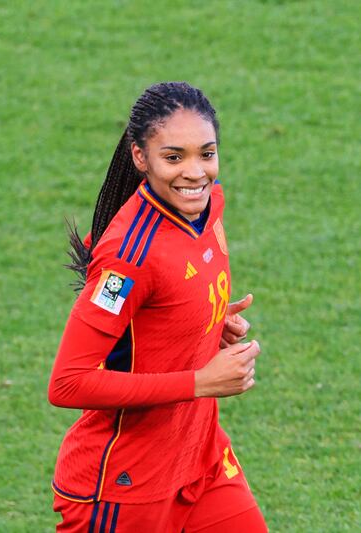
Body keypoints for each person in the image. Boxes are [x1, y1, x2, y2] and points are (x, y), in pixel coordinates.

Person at [48, 82, 268, 533]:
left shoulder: (207, 205)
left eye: (206, 154)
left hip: (202, 460)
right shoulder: (127, 257)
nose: (195, 173)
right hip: (126, 489)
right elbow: (67, 384)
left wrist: (207, 323)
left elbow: (164, 306)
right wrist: (200, 380)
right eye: (174, 157)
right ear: (139, 158)